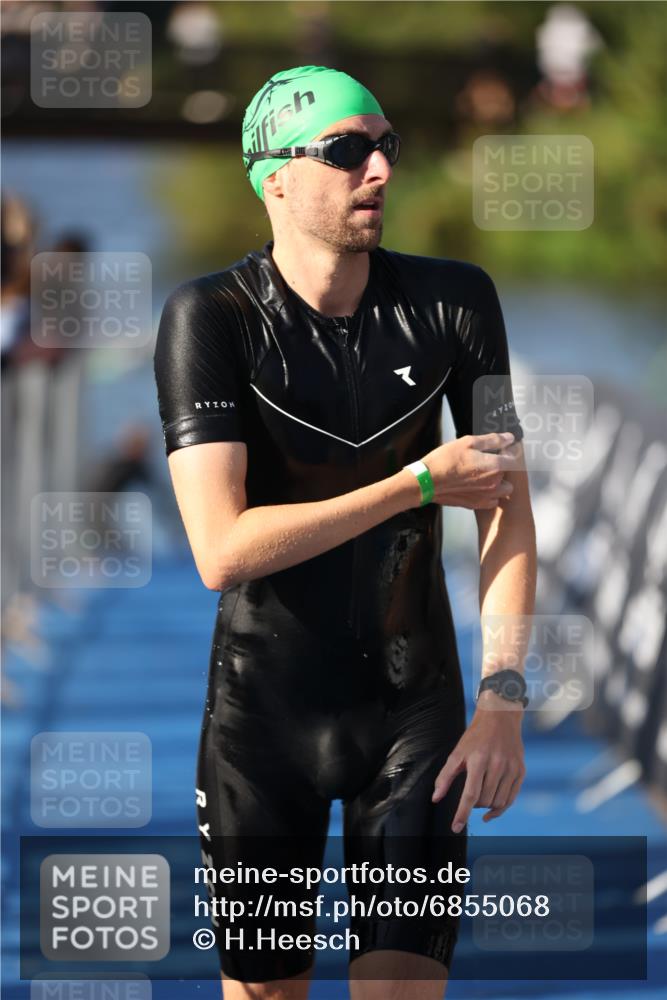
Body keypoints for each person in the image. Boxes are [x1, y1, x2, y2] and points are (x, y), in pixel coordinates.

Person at [153, 65, 537, 1000]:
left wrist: (502, 700)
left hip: (414, 712)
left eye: (385, 146)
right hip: (262, 720)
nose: (380, 170)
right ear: (273, 177)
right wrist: (415, 485)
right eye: (346, 150)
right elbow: (220, 551)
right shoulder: (210, 319)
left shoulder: (457, 303)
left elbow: (506, 508)